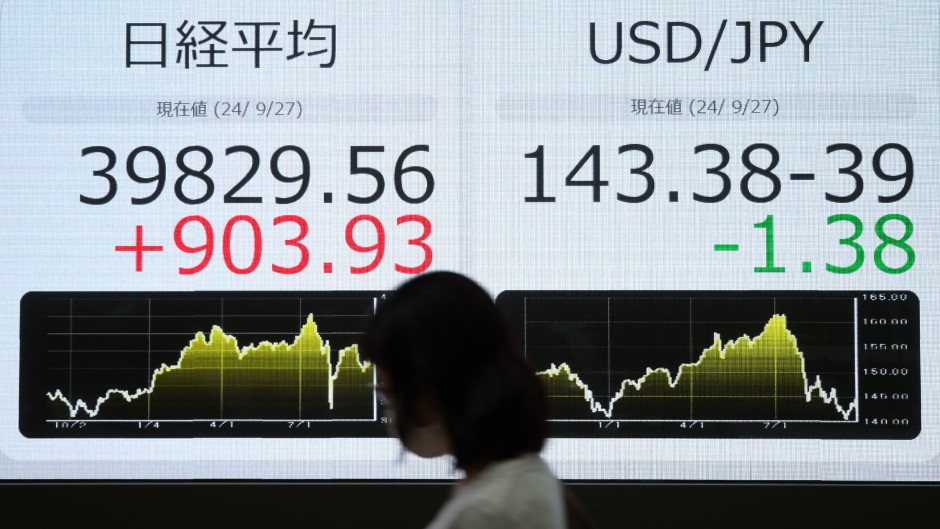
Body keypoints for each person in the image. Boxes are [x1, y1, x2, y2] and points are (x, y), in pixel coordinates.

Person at [361, 271, 594, 529]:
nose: (392, 409)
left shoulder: (487, 512)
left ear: (436, 383)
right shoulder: (519, 478)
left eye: (391, 391)